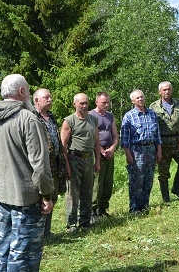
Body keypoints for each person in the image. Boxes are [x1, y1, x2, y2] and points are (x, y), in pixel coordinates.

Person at [0, 74, 54, 272]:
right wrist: (47, 194)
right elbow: (40, 165)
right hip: (26, 197)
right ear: (22, 92)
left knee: (4, 248)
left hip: (3, 195)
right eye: (28, 90)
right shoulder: (27, 119)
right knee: (24, 251)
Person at [61, 93, 101, 233]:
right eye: (81, 103)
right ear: (75, 104)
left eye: (86, 103)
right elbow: (63, 145)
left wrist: (97, 161)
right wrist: (66, 164)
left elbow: (96, 142)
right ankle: (71, 224)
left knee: (87, 191)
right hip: (74, 159)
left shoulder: (93, 120)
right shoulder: (69, 121)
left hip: (89, 158)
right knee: (73, 193)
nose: (84, 106)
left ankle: (85, 222)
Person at [31, 88, 66, 238]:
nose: (50, 99)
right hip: (41, 166)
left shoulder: (51, 117)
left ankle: (46, 231)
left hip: (55, 164)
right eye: (46, 97)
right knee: (41, 198)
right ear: (36, 100)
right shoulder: (32, 117)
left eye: (50, 97)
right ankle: (39, 233)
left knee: (53, 196)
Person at [120, 89, 162, 214]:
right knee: (137, 180)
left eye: (142, 97)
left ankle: (144, 206)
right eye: (137, 98)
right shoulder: (129, 116)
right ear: (132, 101)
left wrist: (159, 151)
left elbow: (157, 135)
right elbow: (124, 139)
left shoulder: (152, 114)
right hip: (136, 150)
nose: (140, 99)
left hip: (151, 149)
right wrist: (128, 155)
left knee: (148, 179)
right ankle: (134, 208)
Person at [150, 81, 179, 202]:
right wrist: (156, 146)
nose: (167, 92)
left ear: (172, 90)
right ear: (159, 92)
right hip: (162, 143)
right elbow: (152, 127)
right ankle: (166, 198)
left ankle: (176, 188)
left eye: (169, 89)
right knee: (163, 172)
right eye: (164, 90)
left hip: (178, 142)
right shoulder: (153, 107)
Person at [89, 92, 119, 218]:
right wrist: (101, 151)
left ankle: (103, 208)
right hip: (97, 154)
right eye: (103, 103)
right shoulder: (91, 115)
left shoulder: (110, 116)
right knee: (97, 182)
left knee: (108, 181)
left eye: (108, 102)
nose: (106, 105)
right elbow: (91, 137)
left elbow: (115, 135)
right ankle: (93, 210)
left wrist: (112, 149)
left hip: (109, 153)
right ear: (96, 102)